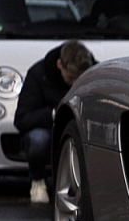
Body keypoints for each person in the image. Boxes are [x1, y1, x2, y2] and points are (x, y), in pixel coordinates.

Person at [14, 40, 95, 204]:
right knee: (38, 140)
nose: (74, 84)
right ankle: (38, 181)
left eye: (78, 80)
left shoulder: (93, 72)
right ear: (60, 65)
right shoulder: (38, 75)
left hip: (81, 129)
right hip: (48, 130)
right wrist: (53, 113)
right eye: (71, 78)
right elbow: (22, 119)